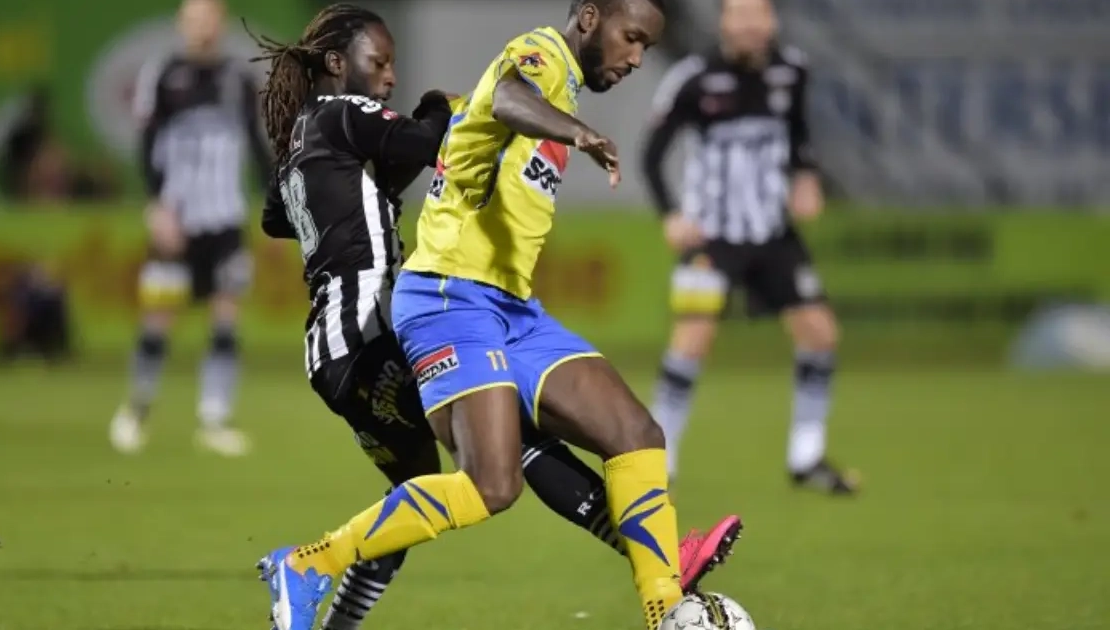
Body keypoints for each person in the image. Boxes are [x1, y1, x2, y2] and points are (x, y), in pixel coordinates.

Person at [257, 2, 744, 630]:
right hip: (442, 301)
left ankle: (664, 601)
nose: (635, 58)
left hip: (505, 306)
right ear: (589, 18)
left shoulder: (315, 134)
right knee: (496, 478)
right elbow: (507, 98)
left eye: (646, 47)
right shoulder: (540, 57)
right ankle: (310, 564)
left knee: (635, 434)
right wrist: (572, 132)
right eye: (631, 39)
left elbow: (278, 214)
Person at [641, 0, 858, 493]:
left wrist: (806, 176)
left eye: (758, 15)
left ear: (772, 20)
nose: (750, 26)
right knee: (692, 340)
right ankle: (658, 459)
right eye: (739, 15)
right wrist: (671, 213)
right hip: (711, 237)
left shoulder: (792, 71)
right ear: (724, 21)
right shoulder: (693, 77)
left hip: (773, 234)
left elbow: (799, 135)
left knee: (821, 333)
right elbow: (651, 156)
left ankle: (807, 457)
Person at [110, 0, 272, 457]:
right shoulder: (163, 75)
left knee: (225, 317)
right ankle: (137, 409)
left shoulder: (238, 79)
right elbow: (146, 145)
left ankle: (214, 419)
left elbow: (257, 147)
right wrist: (157, 206)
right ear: (182, 24)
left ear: (221, 23)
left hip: (226, 218)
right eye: (195, 19)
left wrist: (273, 208)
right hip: (177, 218)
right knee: (159, 317)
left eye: (210, 19)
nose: (203, 28)